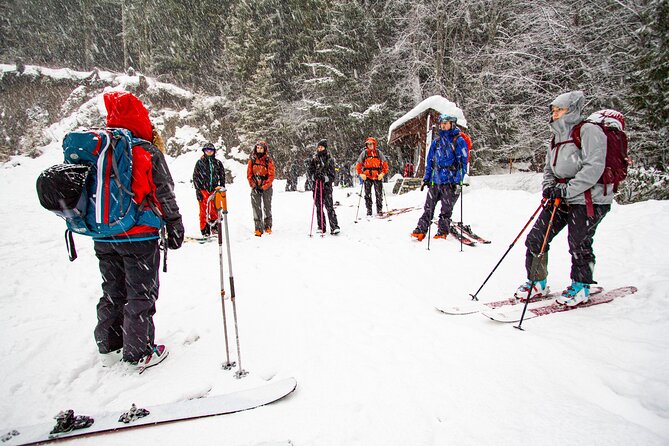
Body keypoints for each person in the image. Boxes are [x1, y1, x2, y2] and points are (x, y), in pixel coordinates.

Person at [95, 91, 183, 371]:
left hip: (103, 232)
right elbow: (163, 192)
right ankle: (139, 351)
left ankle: (109, 345)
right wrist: (174, 223)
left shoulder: (101, 148)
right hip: (138, 233)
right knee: (140, 292)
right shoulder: (145, 149)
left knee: (112, 290)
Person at [514, 91, 612, 307]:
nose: (555, 113)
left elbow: (594, 167)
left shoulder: (589, 131)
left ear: (572, 110)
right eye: (553, 110)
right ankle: (537, 281)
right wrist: (549, 187)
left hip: (589, 198)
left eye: (559, 110)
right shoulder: (556, 136)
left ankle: (581, 286)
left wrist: (567, 189)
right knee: (536, 237)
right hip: (561, 196)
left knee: (579, 242)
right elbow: (549, 168)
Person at [411, 114, 468, 241]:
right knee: (428, 207)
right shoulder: (436, 142)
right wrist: (426, 178)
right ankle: (421, 229)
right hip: (435, 180)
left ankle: (442, 232)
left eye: (446, 123)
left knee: (446, 209)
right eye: (442, 123)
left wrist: (458, 180)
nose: (443, 125)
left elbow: (462, 164)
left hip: (450, 181)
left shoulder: (458, 141)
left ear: (452, 124)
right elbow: (430, 161)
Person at [192, 142, 226, 236]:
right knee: (203, 211)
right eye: (207, 150)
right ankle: (205, 230)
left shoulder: (217, 163)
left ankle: (215, 227)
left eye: (211, 150)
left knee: (214, 210)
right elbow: (195, 176)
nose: (209, 152)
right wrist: (197, 190)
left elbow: (222, 175)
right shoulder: (200, 163)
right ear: (204, 151)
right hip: (203, 190)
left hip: (214, 190)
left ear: (214, 152)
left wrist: (222, 186)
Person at [307, 139, 340, 235]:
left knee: (329, 206)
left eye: (321, 147)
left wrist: (325, 178)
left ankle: (334, 226)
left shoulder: (330, 159)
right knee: (319, 206)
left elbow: (332, 175)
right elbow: (310, 171)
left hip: (326, 187)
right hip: (316, 186)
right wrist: (314, 177)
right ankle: (321, 226)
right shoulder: (314, 159)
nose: (319, 149)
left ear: (325, 148)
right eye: (318, 147)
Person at [247, 140, 275, 236]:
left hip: (266, 187)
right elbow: (249, 175)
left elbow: (271, 176)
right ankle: (258, 228)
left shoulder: (268, 160)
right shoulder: (252, 160)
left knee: (267, 207)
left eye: (261, 148)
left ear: (264, 149)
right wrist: (254, 186)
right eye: (258, 148)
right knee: (256, 208)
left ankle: (268, 226)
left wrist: (264, 187)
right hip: (255, 187)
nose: (259, 150)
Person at [355, 137, 389, 216]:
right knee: (367, 194)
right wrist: (361, 174)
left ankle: (379, 209)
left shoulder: (378, 153)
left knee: (379, 194)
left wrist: (382, 174)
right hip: (367, 176)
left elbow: (385, 164)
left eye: (371, 144)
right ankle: (369, 209)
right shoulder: (364, 153)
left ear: (374, 144)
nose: (370, 145)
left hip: (377, 176)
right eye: (368, 144)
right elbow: (358, 164)